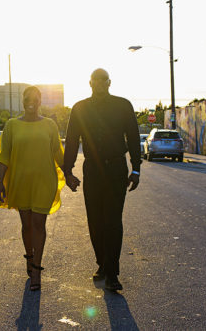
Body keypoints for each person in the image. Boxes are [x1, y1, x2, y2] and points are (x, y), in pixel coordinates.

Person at [63, 68, 141, 291]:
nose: (99, 84)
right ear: (90, 83)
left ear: (109, 83)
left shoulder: (123, 105)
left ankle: (113, 273)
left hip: (116, 168)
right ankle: (102, 264)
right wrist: (67, 171)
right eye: (95, 81)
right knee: (95, 221)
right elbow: (71, 141)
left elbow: (134, 138)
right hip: (93, 170)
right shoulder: (80, 108)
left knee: (113, 221)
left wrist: (136, 169)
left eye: (103, 81)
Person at [0, 86, 65, 291]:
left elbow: (57, 152)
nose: (31, 101)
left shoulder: (49, 125)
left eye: (35, 98)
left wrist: (70, 175)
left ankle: (36, 268)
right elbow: (5, 156)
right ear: (23, 101)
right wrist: (0, 183)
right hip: (20, 181)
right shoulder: (12, 125)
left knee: (39, 223)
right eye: (27, 98)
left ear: (40, 102)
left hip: (44, 181)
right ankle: (29, 257)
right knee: (26, 224)